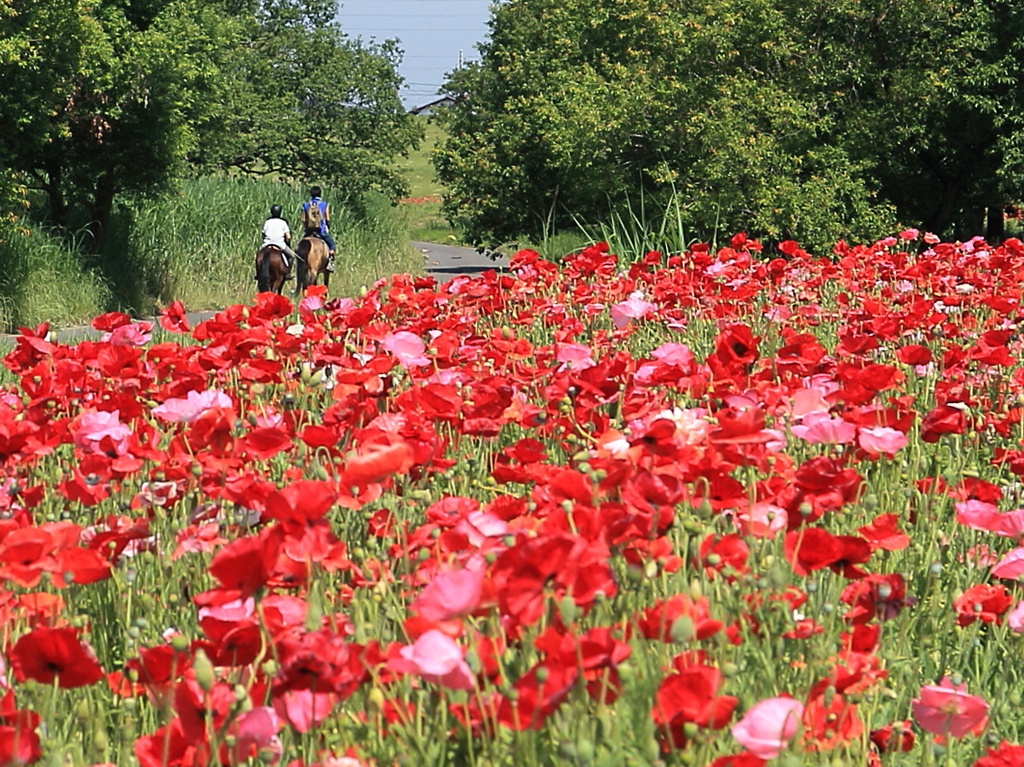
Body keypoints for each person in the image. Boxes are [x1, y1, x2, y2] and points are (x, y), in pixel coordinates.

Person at [256, 204, 298, 280]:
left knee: (258, 256)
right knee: (292, 256)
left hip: (267, 244)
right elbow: (288, 236)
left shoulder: (267, 222)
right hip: (280, 244)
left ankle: (258, 274)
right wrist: (287, 242)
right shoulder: (283, 222)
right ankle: (288, 273)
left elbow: (263, 234)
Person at [301, 186, 336, 272]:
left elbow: (303, 219)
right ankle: (329, 263)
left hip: (309, 231)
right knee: (332, 245)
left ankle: (300, 263)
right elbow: (327, 218)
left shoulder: (306, 205)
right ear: (320, 194)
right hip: (321, 231)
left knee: (300, 246)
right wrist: (328, 226)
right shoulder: (324, 204)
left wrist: (306, 228)